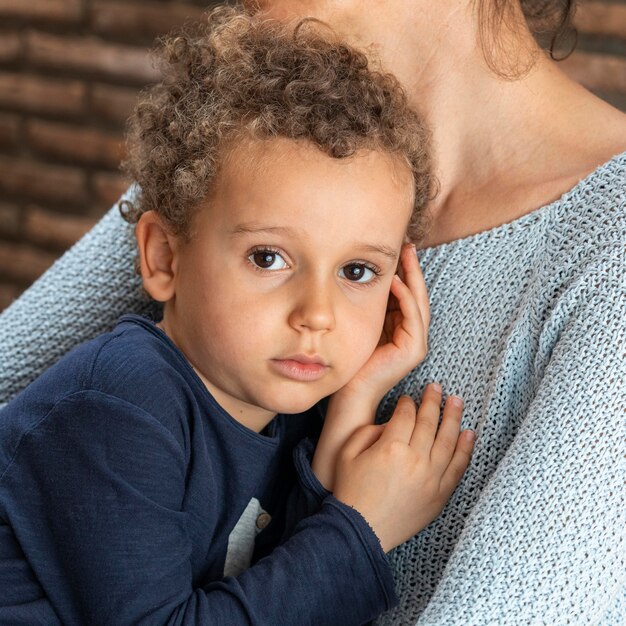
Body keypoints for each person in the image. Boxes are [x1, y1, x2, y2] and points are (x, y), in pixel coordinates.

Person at [0, 0, 624, 623]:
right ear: (163, 254)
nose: (318, 316)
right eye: (268, 257)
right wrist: (360, 530)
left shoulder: (603, 255)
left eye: (358, 272)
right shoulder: (237, 145)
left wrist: (349, 416)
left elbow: (262, 569)